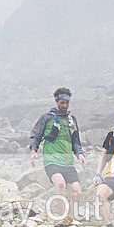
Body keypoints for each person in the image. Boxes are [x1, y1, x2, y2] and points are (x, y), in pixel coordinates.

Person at [30, 88, 87, 219]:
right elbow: (36, 135)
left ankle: (73, 219)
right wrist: (33, 150)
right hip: (51, 160)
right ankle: (61, 217)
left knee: (77, 192)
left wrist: (80, 154)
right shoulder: (47, 118)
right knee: (60, 184)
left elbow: (76, 141)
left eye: (66, 103)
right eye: (61, 102)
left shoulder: (72, 120)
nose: (64, 106)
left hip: (68, 162)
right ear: (56, 101)